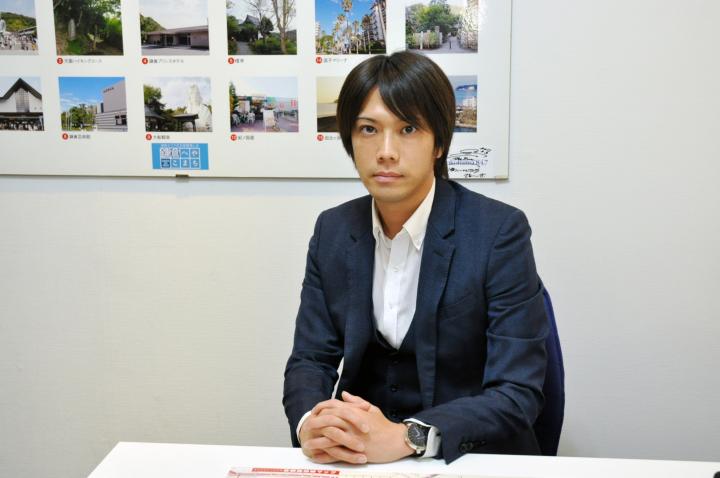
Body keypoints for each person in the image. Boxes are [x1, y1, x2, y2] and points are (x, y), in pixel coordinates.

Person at [283, 51, 548, 465]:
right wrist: (310, 424)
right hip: (361, 459)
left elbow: (517, 391)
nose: (386, 151)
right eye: (368, 129)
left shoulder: (498, 232)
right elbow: (309, 359)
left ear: (439, 142)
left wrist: (410, 436)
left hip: (467, 457)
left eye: (408, 128)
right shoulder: (332, 230)